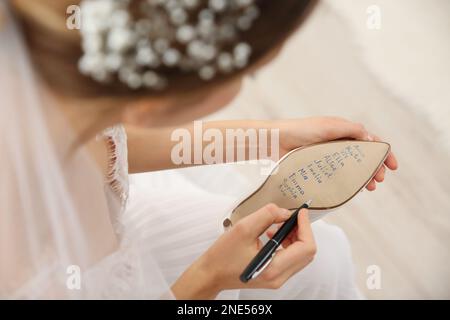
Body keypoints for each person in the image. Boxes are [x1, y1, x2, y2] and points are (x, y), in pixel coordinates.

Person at [1, 0, 397, 299]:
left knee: (323, 258)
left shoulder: (50, 64)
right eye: (250, 73)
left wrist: (273, 138)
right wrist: (209, 278)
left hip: (113, 239)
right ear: (150, 103)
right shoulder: (15, 251)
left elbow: (110, 142)